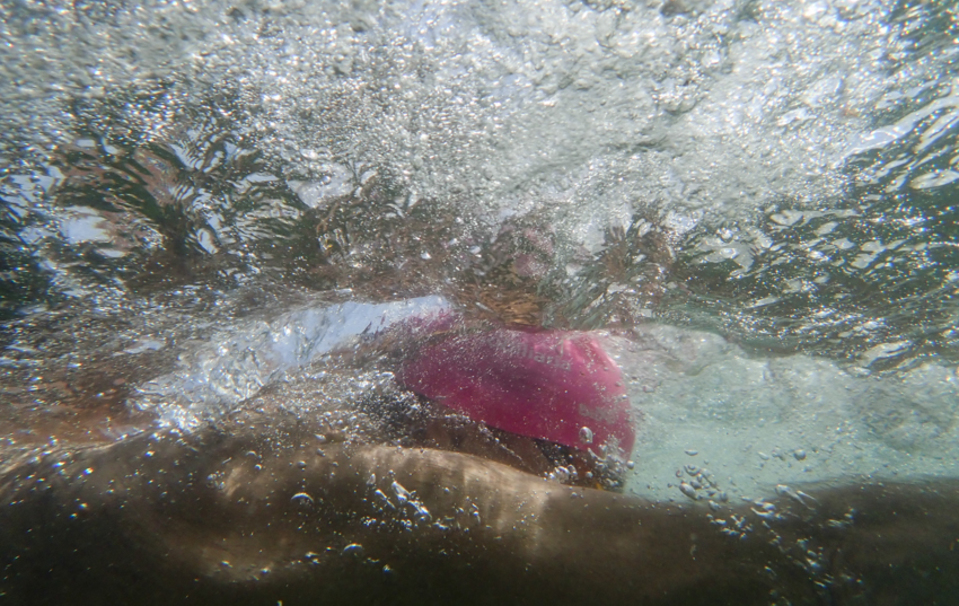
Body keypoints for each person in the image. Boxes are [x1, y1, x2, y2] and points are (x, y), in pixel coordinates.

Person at [1, 313, 958, 605]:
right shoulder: (424, 500)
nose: (596, 496)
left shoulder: (256, 472)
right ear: (463, 435)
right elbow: (793, 556)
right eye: (580, 470)